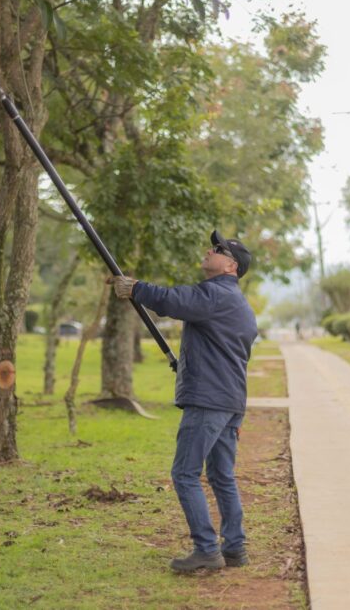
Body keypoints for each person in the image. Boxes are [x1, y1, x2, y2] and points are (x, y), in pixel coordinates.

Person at [109, 230, 258, 573]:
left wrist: (136, 289)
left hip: (209, 400)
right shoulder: (238, 305)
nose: (209, 250)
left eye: (217, 249)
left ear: (231, 265)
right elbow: (222, 350)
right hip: (230, 399)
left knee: (185, 473)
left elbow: (176, 301)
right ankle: (234, 549)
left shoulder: (215, 294)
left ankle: (207, 550)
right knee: (222, 476)